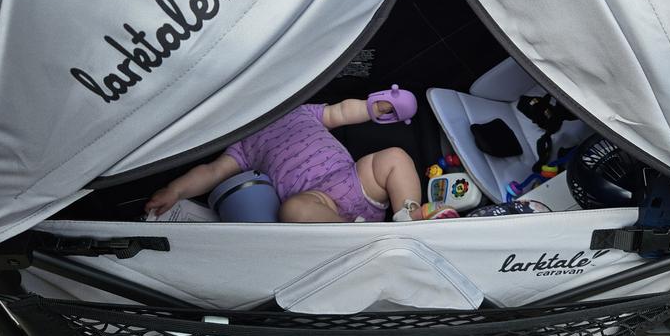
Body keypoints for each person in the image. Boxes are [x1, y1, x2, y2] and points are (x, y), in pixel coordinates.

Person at [144, 99, 458, 222]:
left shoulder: (300, 110)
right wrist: (176, 190)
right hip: (320, 202)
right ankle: (351, 235)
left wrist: (371, 108)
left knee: (393, 157)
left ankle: (408, 212)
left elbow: (339, 112)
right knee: (293, 210)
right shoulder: (243, 145)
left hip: (353, 179)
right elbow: (212, 171)